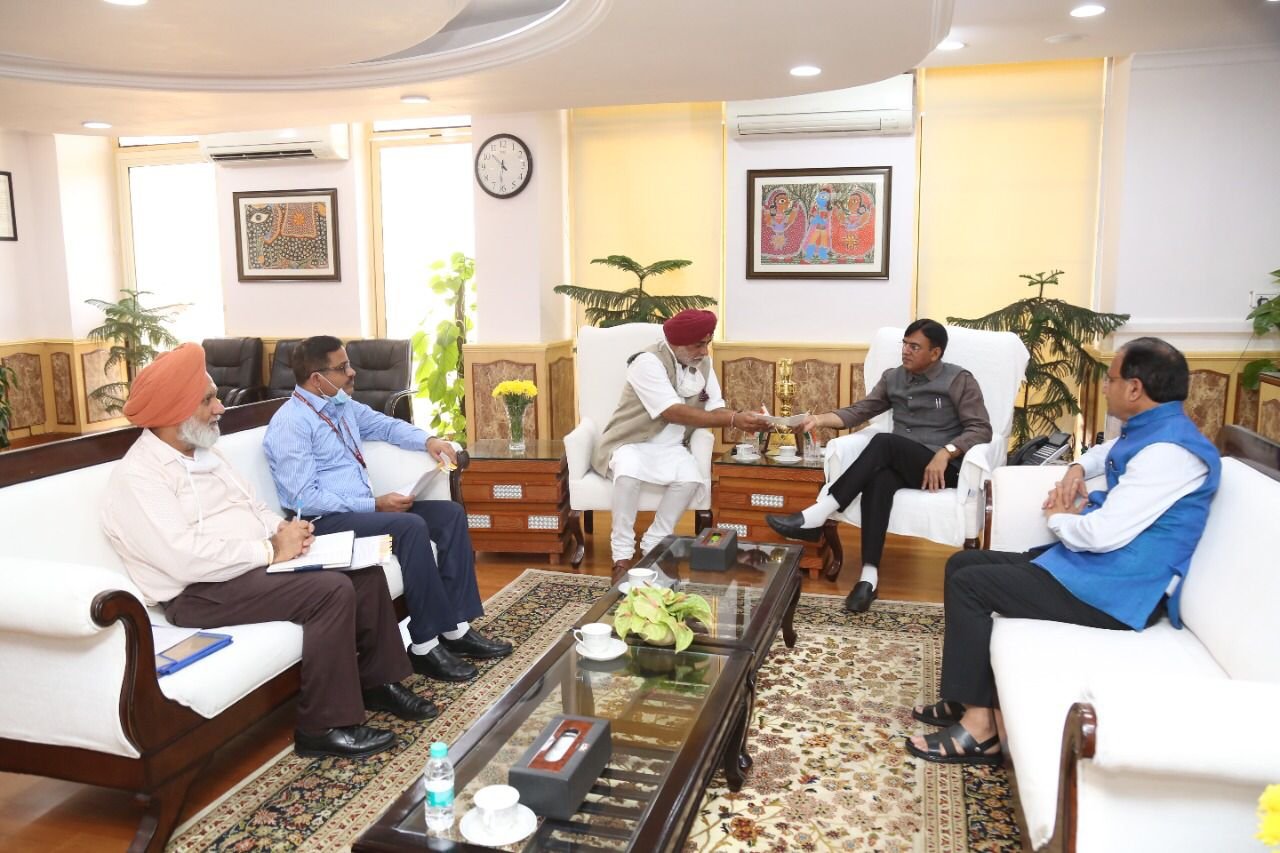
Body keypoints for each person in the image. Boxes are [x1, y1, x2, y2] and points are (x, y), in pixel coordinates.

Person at [101, 343, 436, 761]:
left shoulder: (205, 453)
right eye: (208, 400)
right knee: (330, 591)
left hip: (247, 570)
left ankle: (378, 683)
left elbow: (253, 506)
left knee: (362, 570)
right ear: (175, 412)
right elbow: (183, 559)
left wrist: (283, 530)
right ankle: (322, 726)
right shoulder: (140, 477)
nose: (220, 407)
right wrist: (270, 550)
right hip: (198, 592)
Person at [905, 337, 1221, 766]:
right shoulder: (1156, 430)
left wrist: (1057, 517)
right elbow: (1107, 454)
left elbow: (1099, 535)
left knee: (972, 585)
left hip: (1116, 593)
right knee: (964, 563)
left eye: (1111, 379)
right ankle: (966, 699)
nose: (1105, 387)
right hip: (1097, 572)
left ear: (1135, 389)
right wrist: (1075, 468)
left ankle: (981, 730)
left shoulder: (1169, 454)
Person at [263, 335, 511, 685]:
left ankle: (455, 629)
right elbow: (304, 498)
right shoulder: (291, 424)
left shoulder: (340, 405)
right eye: (342, 367)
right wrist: (375, 504)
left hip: (362, 512)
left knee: (449, 515)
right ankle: (424, 646)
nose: (352, 372)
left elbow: (385, 426)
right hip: (323, 522)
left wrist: (428, 440)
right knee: (409, 526)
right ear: (317, 378)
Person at [766, 319, 993, 612]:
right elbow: (861, 410)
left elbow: (981, 428)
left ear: (935, 353)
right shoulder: (893, 378)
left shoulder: (959, 380)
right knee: (879, 479)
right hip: (902, 464)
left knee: (884, 442)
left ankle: (821, 512)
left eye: (915, 347)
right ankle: (868, 578)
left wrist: (946, 453)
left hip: (942, 470)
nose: (906, 351)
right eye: (904, 344)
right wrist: (819, 419)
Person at [592, 309, 769, 573]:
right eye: (698, 345)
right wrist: (734, 419)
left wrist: (744, 417)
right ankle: (622, 556)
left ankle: (655, 542)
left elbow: (715, 407)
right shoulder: (647, 362)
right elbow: (671, 411)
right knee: (628, 472)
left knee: (690, 478)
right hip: (631, 442)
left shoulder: (703, 365)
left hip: (672, 447)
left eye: (707, 343)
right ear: (676, 343)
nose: (704, 352)